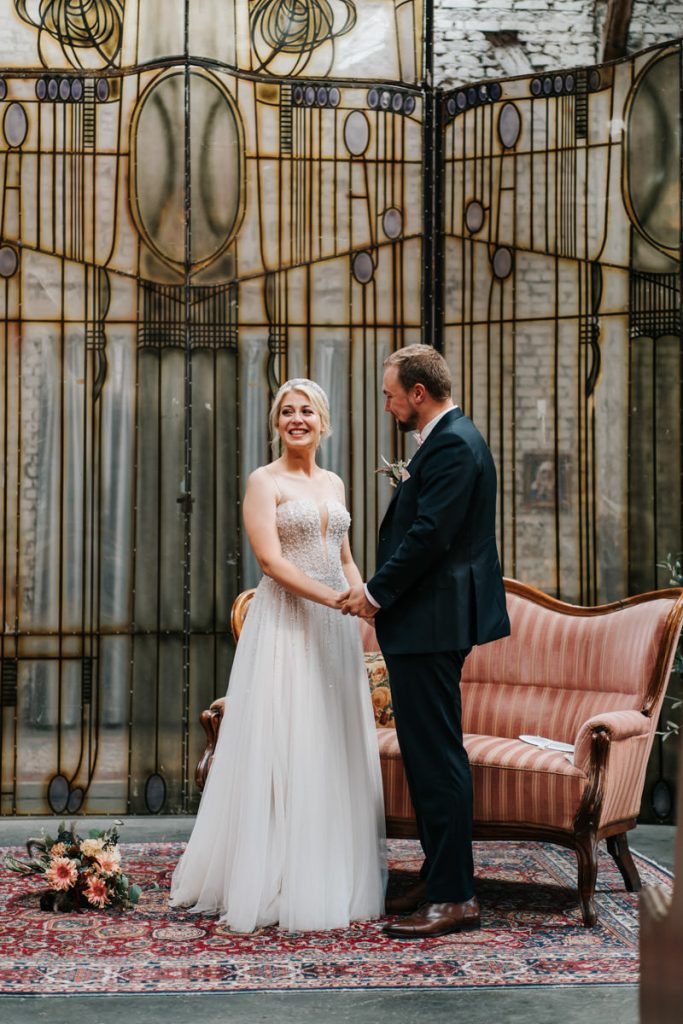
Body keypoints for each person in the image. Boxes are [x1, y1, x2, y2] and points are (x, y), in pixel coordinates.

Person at [170, 379, 386, 933]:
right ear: (276, 423)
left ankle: (326, 871)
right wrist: (337, 598)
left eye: (306, 411)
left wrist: (365, 606)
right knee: (286, 739)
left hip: (336, 627)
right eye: (287, 411)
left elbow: (344, 556)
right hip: (287, 624)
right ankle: (271, 874)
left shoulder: (335, 482)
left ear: (323, 421)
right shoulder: (263, 482)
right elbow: (270, 562)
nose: (297, 419)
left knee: (328, 742)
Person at [341, 344, 510, 939]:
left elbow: (428, 538)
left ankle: (455, 896)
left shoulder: (456, 446)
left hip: (431, 624)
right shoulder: (448, 440)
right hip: (426, 623)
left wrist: (375, 594)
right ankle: (438, 876)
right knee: (424, 753)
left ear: (418, 393)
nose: (387, 406)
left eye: (390, 394)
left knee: (437, 756)